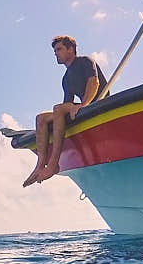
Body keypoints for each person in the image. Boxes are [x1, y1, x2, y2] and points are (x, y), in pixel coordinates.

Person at [22, 35, 108, 187]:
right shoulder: (66, 78)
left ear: (71, 49)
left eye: (59, 49)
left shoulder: (85, 61)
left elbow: (94, 82)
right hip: (80, 107)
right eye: (54, 50)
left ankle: (54, 164)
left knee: (57, 109)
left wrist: (84, 105)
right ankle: (40, 165)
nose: (56, 53)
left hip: (96, 104)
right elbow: (66, 105)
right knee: (41, 118)